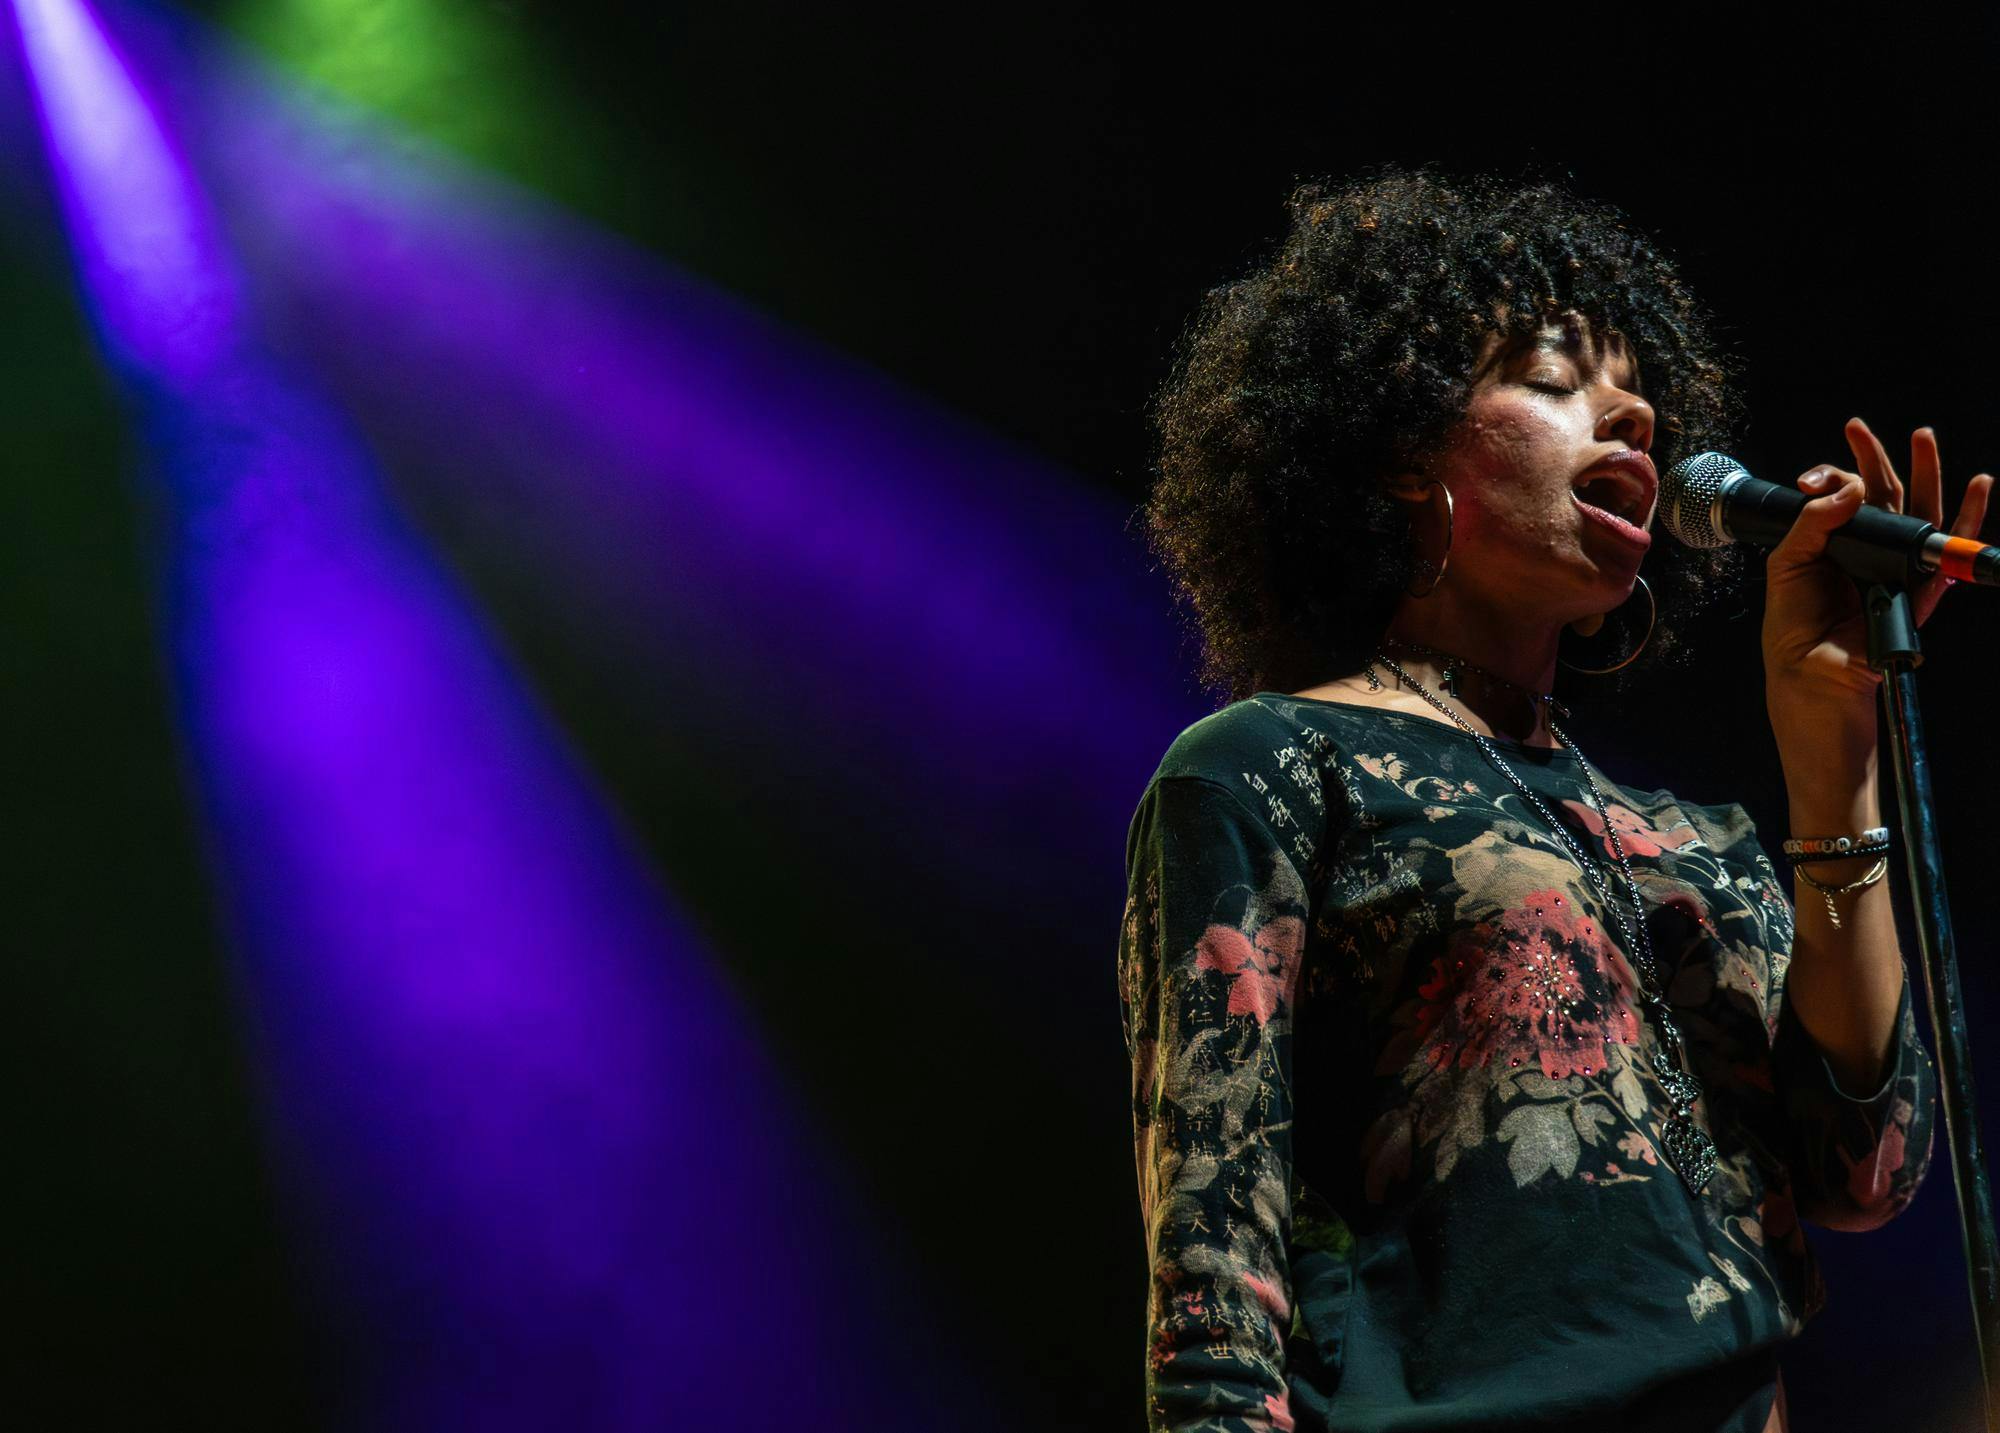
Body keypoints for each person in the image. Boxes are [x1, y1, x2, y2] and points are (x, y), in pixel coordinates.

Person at [1117, 166, 1989, 1432]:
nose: (1630, 414)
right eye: (1551, 379)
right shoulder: (1267, 764)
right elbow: (1211, 1284)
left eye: (1634, 394)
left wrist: (1830, 752)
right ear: (1401, 452)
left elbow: (1866, 1172)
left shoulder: (1696, 841)